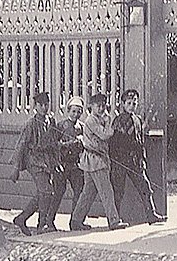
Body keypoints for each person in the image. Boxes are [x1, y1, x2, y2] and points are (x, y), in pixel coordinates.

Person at [68, 92, 128, 231]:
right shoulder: (91, 121)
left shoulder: (97, 119)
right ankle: (113, 220)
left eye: (103, 106)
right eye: (98, 106)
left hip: (95, 160)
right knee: (106, 191)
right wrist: (109, 123)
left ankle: (76, 220)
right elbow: (105, 134)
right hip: (95, 161)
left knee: (88, 192)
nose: (101, 108)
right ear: (91, 106)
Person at [109, 88, 166, 224]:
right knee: (118, 190)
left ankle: (151, 215)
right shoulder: (118, 121)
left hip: (135, 161)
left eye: (134, 103)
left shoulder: (138, 120)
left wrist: (142, 159)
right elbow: (114, 142)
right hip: (120, 160)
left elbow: (140, 142)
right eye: (128, 103)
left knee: (145, 187)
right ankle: (115, 218)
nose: (131, 106)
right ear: (122, 104)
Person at [11, 91, 62, 235]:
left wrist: (57, 161)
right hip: (34, 160)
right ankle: (41, 225)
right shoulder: (30, 124)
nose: (44, 108)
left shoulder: (51, 121)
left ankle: (22, 218)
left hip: (47, 160)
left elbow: (54, 143)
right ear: (36, 106)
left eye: (47, 104)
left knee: (47, 193)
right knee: (46, 191)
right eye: (41, 105)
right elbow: (21, 144)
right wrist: (16, 168)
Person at [39, 95, 87, 231]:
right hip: (62, 164)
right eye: (73, 111)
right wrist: (69, 145)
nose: (76, 114)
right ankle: (50, 221)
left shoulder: (81, 127)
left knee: (79, 191)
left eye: (79, 112)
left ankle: (76, 220)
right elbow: (54, 144)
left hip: (76, 165)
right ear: (68, 111)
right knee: (58, 192)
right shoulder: (61, 126)